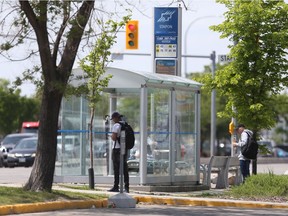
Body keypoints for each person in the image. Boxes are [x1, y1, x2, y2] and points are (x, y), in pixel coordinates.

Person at [108, 111, 129, 193]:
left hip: (117, 149)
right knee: (124, 168)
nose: (112, 120)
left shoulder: (116, 125)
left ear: (116, 118)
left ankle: (116, 186)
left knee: (116, 169)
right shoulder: (125, 124)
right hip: (124, 148)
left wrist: (111, 136)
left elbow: (114, 137)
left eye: (113, 118)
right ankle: (126, 187)